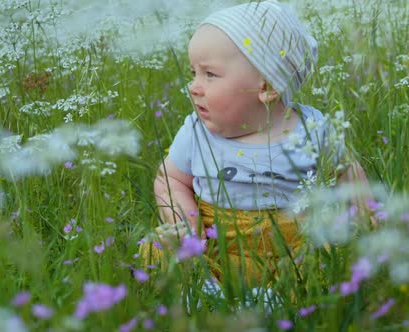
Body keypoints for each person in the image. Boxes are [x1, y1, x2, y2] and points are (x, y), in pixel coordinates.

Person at [148, 0, 374, 286]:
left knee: (336, 257)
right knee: (162, 252)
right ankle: (211, 293)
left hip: (294, 246)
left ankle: (286, 297)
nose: (193, 86)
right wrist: (184, 222)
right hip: (218, 242)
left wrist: (368, 214)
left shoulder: (312, 129)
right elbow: (169, 179)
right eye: (194, 73)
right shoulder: (196, 133)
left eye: (210, 74)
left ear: (267, 86)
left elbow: (348, 172)